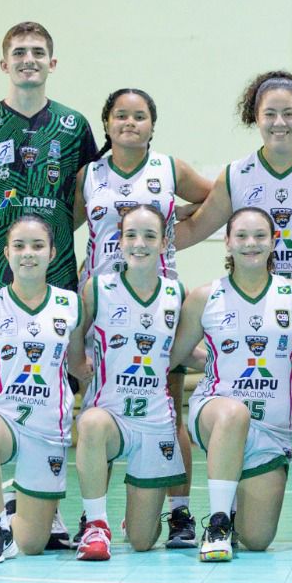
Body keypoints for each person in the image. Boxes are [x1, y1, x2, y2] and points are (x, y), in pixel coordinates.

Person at [0, 21, 97, 552]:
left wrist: (44, 242)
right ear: (3, 63)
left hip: (54, 274)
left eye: (39, 52)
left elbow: (82, 199)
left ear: (54, 63)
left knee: (54, 390)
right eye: (19, 52)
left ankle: (44, 511)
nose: (29, 60)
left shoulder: (74, 127)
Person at [174, 71, 292, 494]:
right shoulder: (237, 173)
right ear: (255, 117)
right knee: (247, 419)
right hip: (250, 322)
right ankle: (236, 508)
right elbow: (195, 228)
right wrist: (137, 235)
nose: (279, 122)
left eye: (289, 113)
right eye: (270, 114)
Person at [77, 87, 214, 548]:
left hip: (158, 301)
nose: (130, 123)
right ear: (107, 123)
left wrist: (180, 233)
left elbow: (215, 203)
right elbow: (67, 224)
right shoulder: (90, 174)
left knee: (166, 406)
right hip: (103, 305)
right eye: (120, 116)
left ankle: (178, 512)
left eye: (139, 116)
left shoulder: (169, 169)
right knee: (102, 405)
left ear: (152, 124)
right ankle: (92, 515)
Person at [168, 207, 292, 561]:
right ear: (226, 243)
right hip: (216, 411)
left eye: (259, 236)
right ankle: (219, 524)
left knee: (257, 540)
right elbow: (174, 354)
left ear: (274, 242)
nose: (250, 243)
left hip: (271, 430)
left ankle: (236, 509)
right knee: (234, 414)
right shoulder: (205, 296)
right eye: (241, 236)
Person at [0, 215, 81, 564]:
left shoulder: (70, 304)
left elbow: (79, 365)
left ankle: (12, 514)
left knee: (31, 544)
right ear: (6, 253)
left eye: (38, 246)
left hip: (47, 430)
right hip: (2, 417)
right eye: (20, 246)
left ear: (52, 253)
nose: (29, 254)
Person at [66, 205, 187, 560]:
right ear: (119, 242)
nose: (139, 243)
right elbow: (76, 331)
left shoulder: (177, 293)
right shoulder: (97, 288)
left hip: (154, 423)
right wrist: (77, 363)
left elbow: (189, 350)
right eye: (131, 235)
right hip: (110, 415)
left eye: (149, 236)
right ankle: (95, 525)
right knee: (89, 423)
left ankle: (134, 519)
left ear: (164, 243)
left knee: (142, 541)